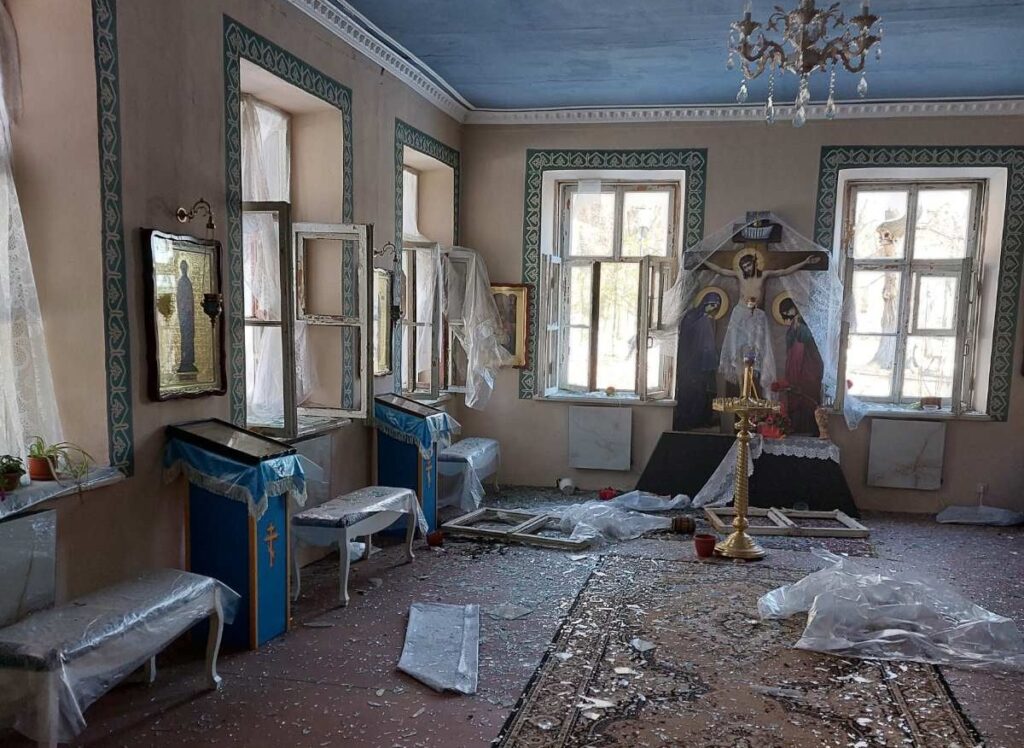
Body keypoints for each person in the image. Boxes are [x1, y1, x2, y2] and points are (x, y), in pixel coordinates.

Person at [703, 248, 821, 392]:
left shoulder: (764, 275)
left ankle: (751, 389)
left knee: (755, 350)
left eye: (748, 265)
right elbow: (721, 270)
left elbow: (784, 271)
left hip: (756, 317)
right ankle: (741, 390)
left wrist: (804, 262)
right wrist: (704, 262)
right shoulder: (740, 276)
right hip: (740, 314)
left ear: (754, 263)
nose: (747, 268)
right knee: (738, 351)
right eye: (744, 267)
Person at [673, 292, 722, 430]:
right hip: (690, 361)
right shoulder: (692, 316)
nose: (713, 308)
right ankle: (687, 420)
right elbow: (687, 337)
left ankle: (701, 419)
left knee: (703, 391)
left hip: (703, 363)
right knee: (690, 390)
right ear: (705, 302)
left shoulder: (708, 320)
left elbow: (709, 343)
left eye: (716, 306)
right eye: (712, 305)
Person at [780, 297, 823, 434]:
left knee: (807, 403)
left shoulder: (804, 325)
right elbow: (790, 346)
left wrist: (799, 328)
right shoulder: (793, 326)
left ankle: (808, 431)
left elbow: (809, 343)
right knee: (795, 403)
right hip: (794, 369)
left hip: (807, 370)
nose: (788, 317)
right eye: (785, 315)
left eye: (789, 313)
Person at [176, 258, 198, 374]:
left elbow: (191, 299)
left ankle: (189, 360)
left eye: (186, 267)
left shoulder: (188, 282)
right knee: (185, 338)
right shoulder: (181, 282)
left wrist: (191, 311)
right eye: (183, 267)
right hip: (184, 316)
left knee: (190, 338)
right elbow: (180, 300)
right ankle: (185, 361)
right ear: (181, 269)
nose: (184, 269)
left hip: (189, 316)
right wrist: (186, 308)